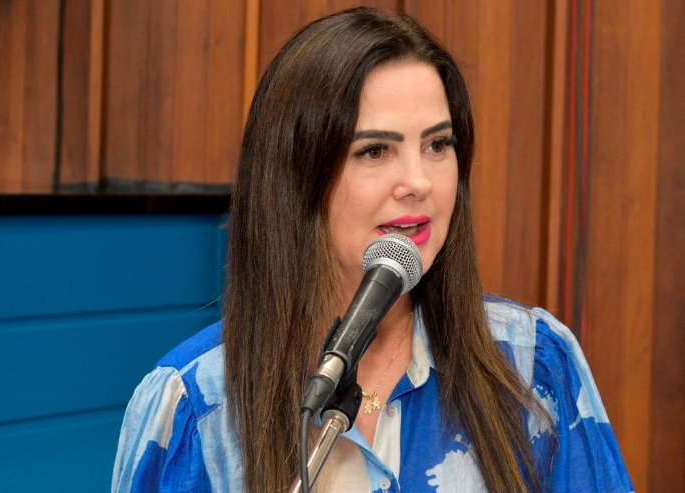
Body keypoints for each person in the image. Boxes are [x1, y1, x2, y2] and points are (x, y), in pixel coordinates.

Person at [112, 7, 633, 493]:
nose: (418, 181)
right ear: (295, 178)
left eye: (438, 145)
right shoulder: (194, 408)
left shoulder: (534, 364)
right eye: (375, 150)